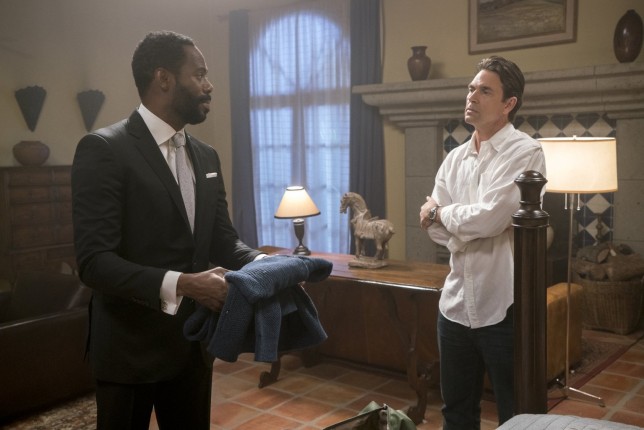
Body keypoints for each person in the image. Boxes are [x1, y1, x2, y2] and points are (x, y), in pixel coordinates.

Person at [71, 31, 264, 429]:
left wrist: (266, 265)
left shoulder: (206, 156)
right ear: (163, 78)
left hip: (192, 348)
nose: (209, 85)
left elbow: (222, 239)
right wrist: (187, 285)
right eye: (200, 74)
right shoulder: (104, 149)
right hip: (129, 352)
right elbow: (94, 263)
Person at [419, 56, 546, 429]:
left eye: (485, 90)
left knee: (518, 416)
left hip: (503, 305)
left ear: (509, 104)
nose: (472, 96)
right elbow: (433, 230)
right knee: (455, 412)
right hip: (455, 303)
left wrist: (443, 213)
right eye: (471, 88)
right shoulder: (455, 158)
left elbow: (490, 218)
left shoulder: (526, 152)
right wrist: (462, 222)